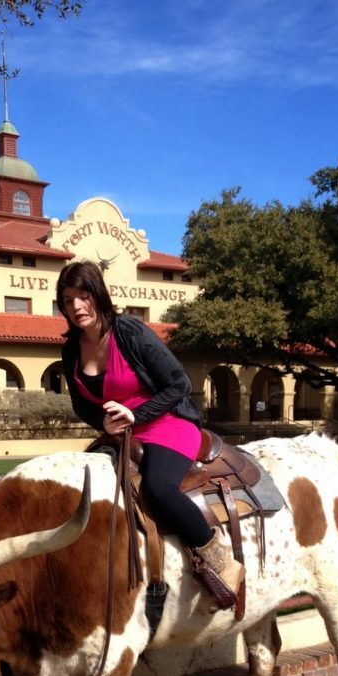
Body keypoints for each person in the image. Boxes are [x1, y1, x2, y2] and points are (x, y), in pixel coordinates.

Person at [58, 259, 244, 611]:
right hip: (122, 433)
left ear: (98, 294)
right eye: (68, 300)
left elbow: (179, 384)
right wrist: (104, 421)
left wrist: (136, 413)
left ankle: (219, 558)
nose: (76, 307)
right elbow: (81, 405)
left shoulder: (129, 332)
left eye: (83, 296)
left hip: (166, 422)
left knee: (157, 488)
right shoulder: (70, 348)